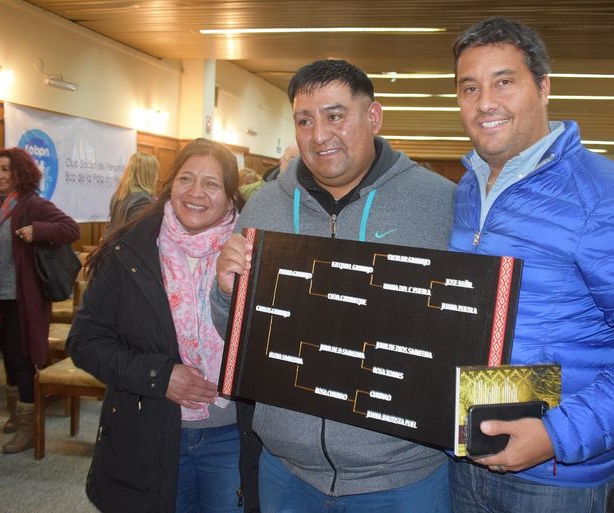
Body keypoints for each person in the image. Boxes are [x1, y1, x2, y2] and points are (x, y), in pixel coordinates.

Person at [446, 17, 614, 513]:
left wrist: (557, 435)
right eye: (469, 87)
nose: (485, 102)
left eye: (504, 82)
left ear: (543, 88)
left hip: (553, 479)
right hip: (461, 455)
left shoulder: (607, 196)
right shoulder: (467, 191)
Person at [212, 59, 455, 513]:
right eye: (305, 119)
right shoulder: (263, 209)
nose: (319, 133)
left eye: (335, 115)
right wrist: (227, 294)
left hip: (402, 477)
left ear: (373, 116)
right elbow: (238, 334)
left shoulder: (440, 203)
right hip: (287, 469)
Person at [67, 138, 246, 513]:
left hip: (231, 436)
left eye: (211, 183)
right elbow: (84, 341)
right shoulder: (129, 251)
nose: (196, 192)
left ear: (232, 196)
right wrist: (159, 376)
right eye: (186, 179)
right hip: (148, 431)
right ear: (170, 185)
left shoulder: (250, 253)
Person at [0, 147, 80, 453]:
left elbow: (70, 228)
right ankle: (15, 415)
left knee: (22, 360)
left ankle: (28, 426)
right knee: (9, 357)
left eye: (6, 169)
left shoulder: (32, 205)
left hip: (23, 298)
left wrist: (39, 231)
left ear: (20, 172)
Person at [106, 151, 159, 234]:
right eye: (156, 172)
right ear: (149, 174)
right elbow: (138, 234)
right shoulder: (143, 200)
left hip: (113, 243)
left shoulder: (118, 195)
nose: (157, 176)